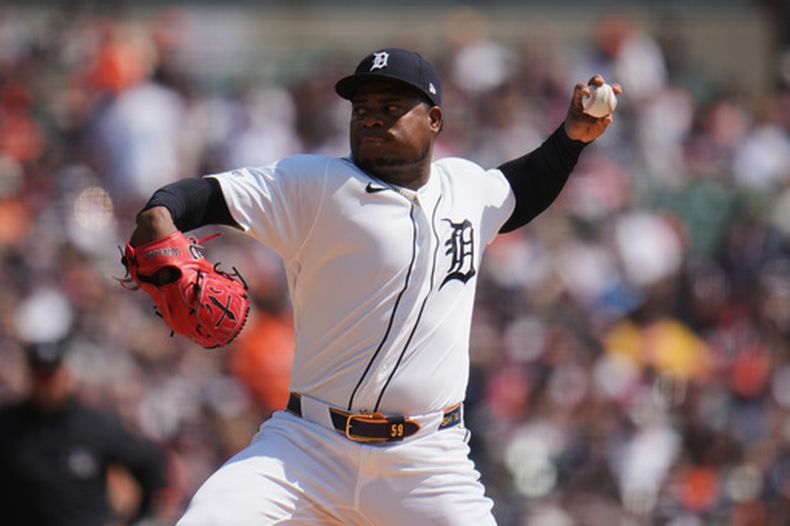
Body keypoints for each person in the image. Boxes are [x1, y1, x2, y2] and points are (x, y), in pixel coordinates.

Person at [128, 47, 620, 525]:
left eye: (390, 107)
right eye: (361, 108)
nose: (370, 118)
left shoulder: (465, 187)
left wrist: (571, 138)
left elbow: (522, 187)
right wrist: (160, 213)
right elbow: (207, 196)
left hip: (428, 461)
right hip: (307, 449)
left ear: (434, 120)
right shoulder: (314, 185)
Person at [0, 340, 166, 526]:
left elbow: (150, 462)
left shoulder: (94, 425)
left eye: (51, 375)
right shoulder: (7, 425)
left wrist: (134, 518)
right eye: (40, 376)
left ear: (66, 375)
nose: (46, 384)